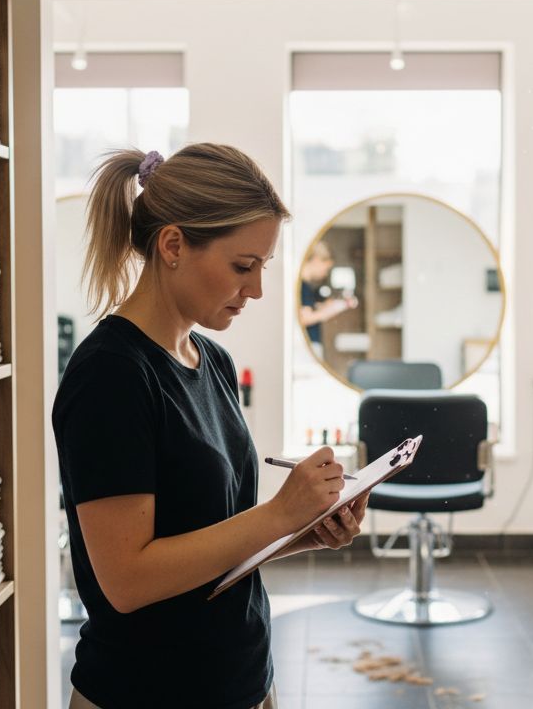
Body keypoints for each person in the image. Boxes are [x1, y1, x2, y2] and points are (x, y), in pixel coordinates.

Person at [53, 145, 369, 709]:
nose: (257, 290)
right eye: (243, 267)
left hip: (240, 677)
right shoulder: (111, 375)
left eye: (263, 268)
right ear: (173, 245)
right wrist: (275, 513)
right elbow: (127, 581)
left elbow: (212, 546)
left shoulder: (211, 361)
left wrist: (300, 530)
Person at [297, 240, 357, 355]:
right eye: (326, 269)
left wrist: (326, 307)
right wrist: (330, 311)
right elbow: (305, 318)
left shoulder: (306, 287)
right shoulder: (302, 286)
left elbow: (308, 309)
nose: (325, 273)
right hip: (307, 346)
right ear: (317, 260)